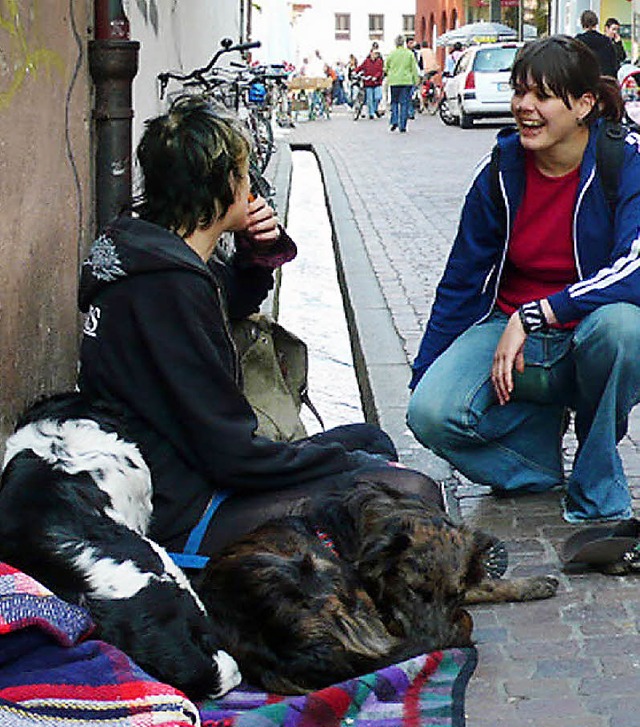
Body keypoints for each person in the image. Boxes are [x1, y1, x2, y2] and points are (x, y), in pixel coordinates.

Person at [78, 96, 433, 564]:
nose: (251, 188)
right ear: (226, 183)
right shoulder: (169, 288)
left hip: (192, 471)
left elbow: (233, 303)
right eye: (244, 174)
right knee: (412, 490)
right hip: (183, 509)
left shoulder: (152, 254)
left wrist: (254, 249)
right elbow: (233, 455)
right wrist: (348, 468)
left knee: (371, 442)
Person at [407, 35, 640, 525]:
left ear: (584, 104)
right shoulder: (501, 171)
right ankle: (535, 464)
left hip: (587, 329)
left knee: (622, 329)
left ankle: (596, 476)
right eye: (519, 92)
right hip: (511, 335)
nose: (524, 107)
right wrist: (422, 375)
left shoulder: (627, 160)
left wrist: (540, 312)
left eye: (542, 95)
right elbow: (461, 281)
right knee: (430, 412)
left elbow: (634, 268)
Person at [384, 34, 421, 132]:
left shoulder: (391, 54)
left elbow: (386, 68)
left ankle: (394, 120)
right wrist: (416, 80)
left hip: (394, 81)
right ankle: (403, 125)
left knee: (394, 102)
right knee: (404, 103)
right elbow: (414, 68)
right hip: (406, 81)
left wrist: (390, 74)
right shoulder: (409, 54)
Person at [576, 10, 618, 77]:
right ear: (596, 23)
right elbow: (614, 64)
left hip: (584, 81)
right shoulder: (606, 41)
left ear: (582, 23)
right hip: (603, 80)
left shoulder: (578, 41)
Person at [356, 46, 384, 119]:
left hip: (377, 82)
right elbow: (360, 67)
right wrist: (355, 71)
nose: (375, 55)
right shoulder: (366, 61)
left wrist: (376, 77)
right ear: (371, 53)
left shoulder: (380, 61)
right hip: (368, 82)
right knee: (370, 99)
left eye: (377, 54)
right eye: (374, 53)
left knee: (378, 97)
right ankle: (371, 113)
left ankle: (375, 109)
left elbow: (380, 71)